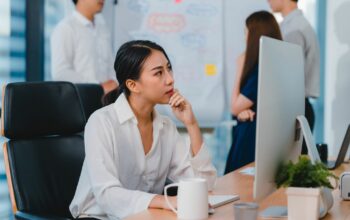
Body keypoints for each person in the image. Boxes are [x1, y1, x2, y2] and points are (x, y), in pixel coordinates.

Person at [69, 40, 217, 219]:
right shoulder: (101, 122)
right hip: (97, 217)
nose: (170, 79)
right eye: (159, 73)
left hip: (145, 215)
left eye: (169, 69)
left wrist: (191, 124)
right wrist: (164, 201)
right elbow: (107, 195)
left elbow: (204, 186)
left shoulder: (166, 127)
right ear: (133, 85)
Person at [225, 11, 282, 174]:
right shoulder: (275, 65)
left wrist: (240, 67)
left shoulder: (260, 70)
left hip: (252, 141)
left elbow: (234, 107)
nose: (245, 38)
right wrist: (241, 111)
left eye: (246, 32)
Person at [268, 0, 320, 154]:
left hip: (295, 108)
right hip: (299, 107)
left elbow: (291, 77)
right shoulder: (296, 25)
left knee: (291, 167)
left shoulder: (293, 29)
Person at [51, 0, 118, 94]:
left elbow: (111, 65)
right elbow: (61, 73)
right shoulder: (65, 28)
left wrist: (114, 82)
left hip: (107, 99)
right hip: (81, 100)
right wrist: (98, 86)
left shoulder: (102, 28)